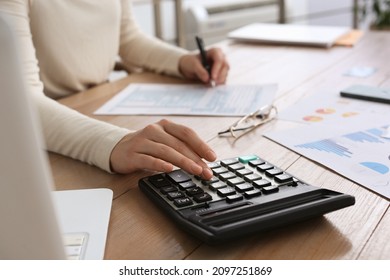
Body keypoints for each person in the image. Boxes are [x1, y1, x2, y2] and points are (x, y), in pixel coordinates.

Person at [0, 0, 230, 179]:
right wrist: (113, 142)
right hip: (48, 135)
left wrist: (182, 60)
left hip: (98, 105)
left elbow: (128, 38)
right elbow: (19, 99)